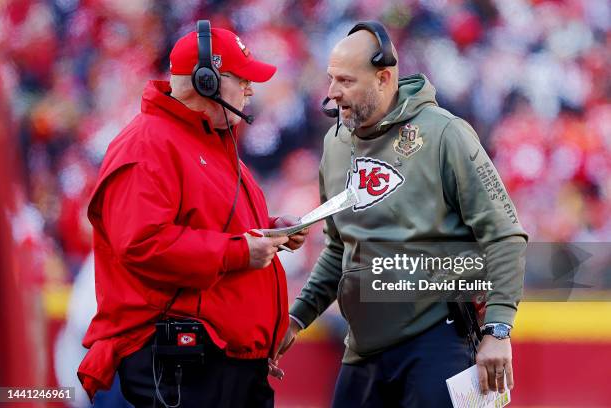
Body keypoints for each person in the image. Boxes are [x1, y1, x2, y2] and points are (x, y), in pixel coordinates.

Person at [275, 21, 528, 407]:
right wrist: (296, 318)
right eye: (331, 79)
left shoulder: (445, 133)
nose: (331, 93)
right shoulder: (336, 143)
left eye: (345, 80)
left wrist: (498, 329)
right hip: (362, 346)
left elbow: (504, 234)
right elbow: (339, 248)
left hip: (438, 338)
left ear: (384, 78)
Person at [77, 21, 308, 408]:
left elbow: (210, 225)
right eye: (242, 79)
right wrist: (239, 251)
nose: (251, 89)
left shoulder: (209, 140)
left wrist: (269, 232)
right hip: (185, 362)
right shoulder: (147, 144)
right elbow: (143, 243)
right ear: (207, 81)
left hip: (226, 363)